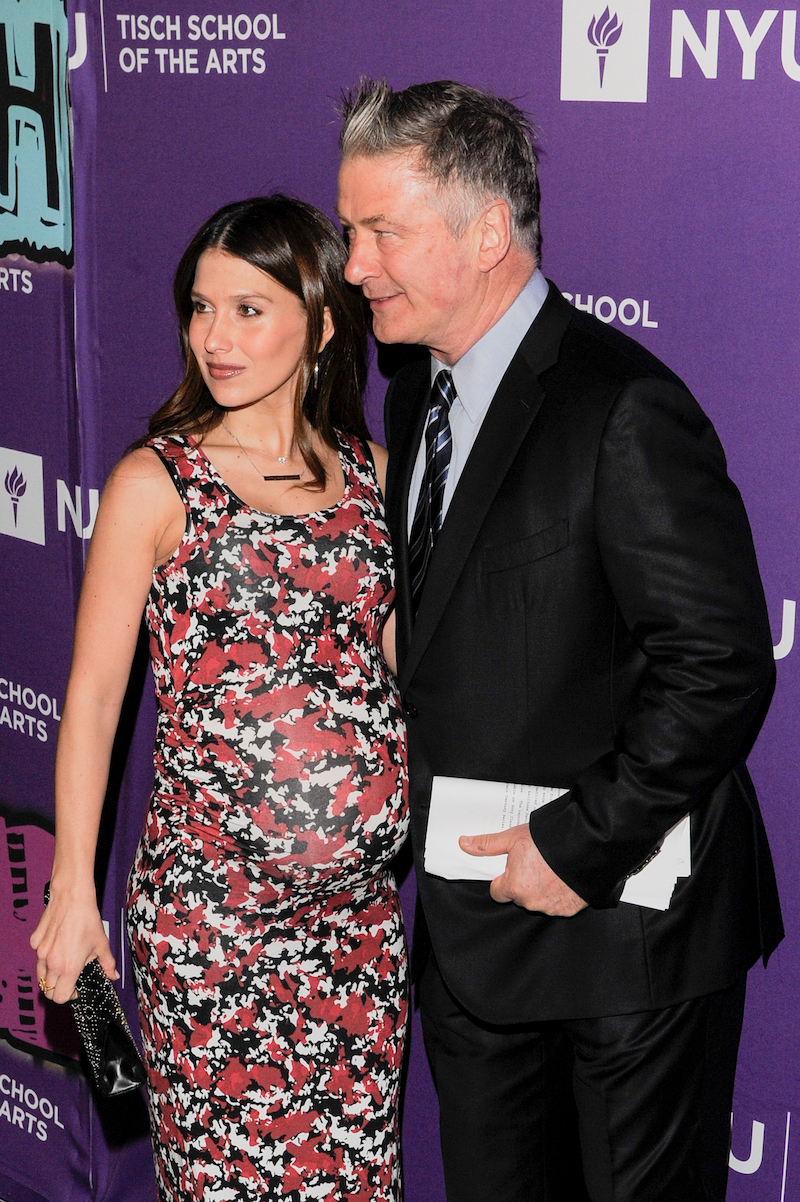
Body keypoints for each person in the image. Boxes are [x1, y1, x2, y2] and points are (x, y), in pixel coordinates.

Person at [336, 80, 783, 1202]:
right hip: (474, 947)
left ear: (488, 231)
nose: (353, 265)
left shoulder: (621, 407)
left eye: (381, 230)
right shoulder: (408, 396)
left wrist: (580, 843)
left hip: (623, 945)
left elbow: (718, 663)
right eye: (351, 230)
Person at [30, 195, 408, 1202]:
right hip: (213, 936)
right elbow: (97, 696)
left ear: (322, 321)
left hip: (356, 936)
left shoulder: (373, 479)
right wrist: (72, 889)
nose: (215, 336)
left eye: (248, 308)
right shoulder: (159, 483)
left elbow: (388, 678)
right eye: (200, 308)